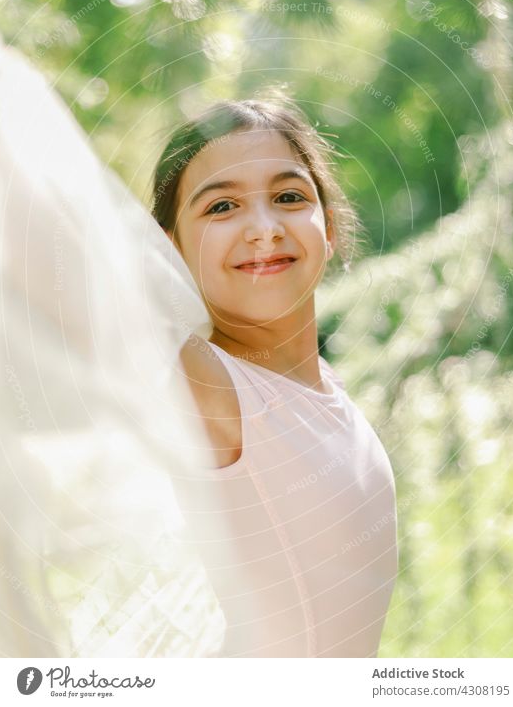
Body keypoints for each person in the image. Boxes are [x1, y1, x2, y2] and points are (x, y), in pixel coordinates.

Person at [152, 98, 398, 657]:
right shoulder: (210, 383)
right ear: (171, 249)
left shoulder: (322, 384)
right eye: (221, 207)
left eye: (289, 197)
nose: (264, 229)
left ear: (328, 227)